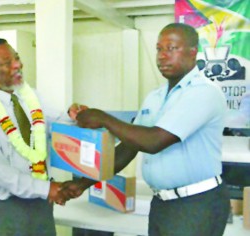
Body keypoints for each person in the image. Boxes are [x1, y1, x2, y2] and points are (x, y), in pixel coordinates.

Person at [62, 23, 231, 236]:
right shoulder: (156, 96)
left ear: (193, 52)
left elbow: (154, 141)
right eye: (159, 49)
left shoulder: (204, 93)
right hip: (162, 203)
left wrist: (103, 118)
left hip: (196, 204)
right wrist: (84, 184)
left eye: (171, 48)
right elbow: (128, 148)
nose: (162, 56)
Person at [0, 38, 82, 235]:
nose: (17, 65)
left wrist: (75, 115)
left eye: (16, 57)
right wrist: (48, 189)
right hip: (4, 209)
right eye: (7, 63)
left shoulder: (31, 97)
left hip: (41, 205)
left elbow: (58, 123)